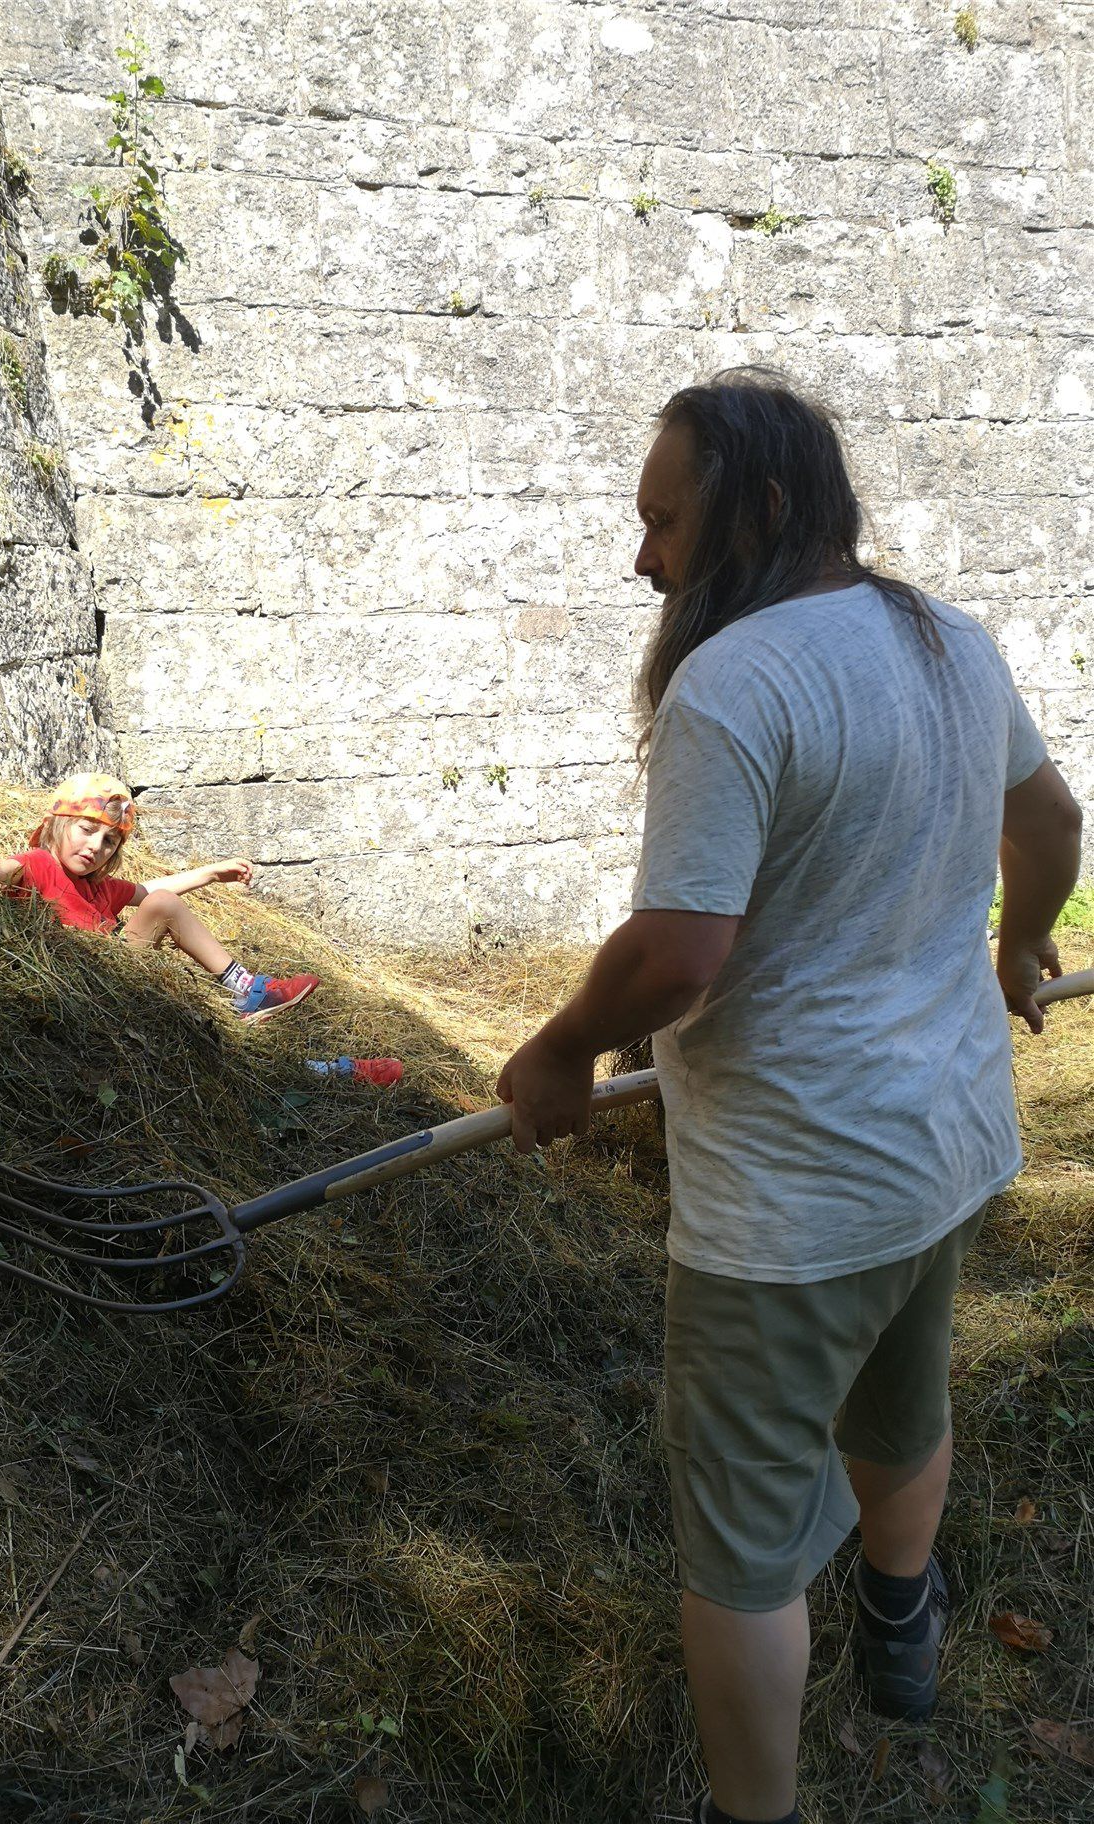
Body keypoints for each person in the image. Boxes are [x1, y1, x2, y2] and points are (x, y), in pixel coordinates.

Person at [495, 370, 1083, 1824]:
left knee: (742, 1548)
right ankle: (902, 1619)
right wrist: (1017, 943)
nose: (644, 559)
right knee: (902, 1396)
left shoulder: (738, 680)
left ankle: (750, 1812)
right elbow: (1055, 823)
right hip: (943, 1146)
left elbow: (684, 951)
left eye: (665, 521)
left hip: (796, 1199)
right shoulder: (949, 638)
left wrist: (565, 1048)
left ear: (758, 509)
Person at [0, 773, 320, 1024]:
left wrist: (211, 874)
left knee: (160, 900)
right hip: (83, 983)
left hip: (117, 979)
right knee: (162, 905)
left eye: (109, 841)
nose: (95, 846)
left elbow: (149, 890)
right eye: (85, 830)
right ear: (57, 826)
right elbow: (0, 869)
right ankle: (247, 990)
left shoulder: (98, 887)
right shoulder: (40, 864)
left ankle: (245, 995)